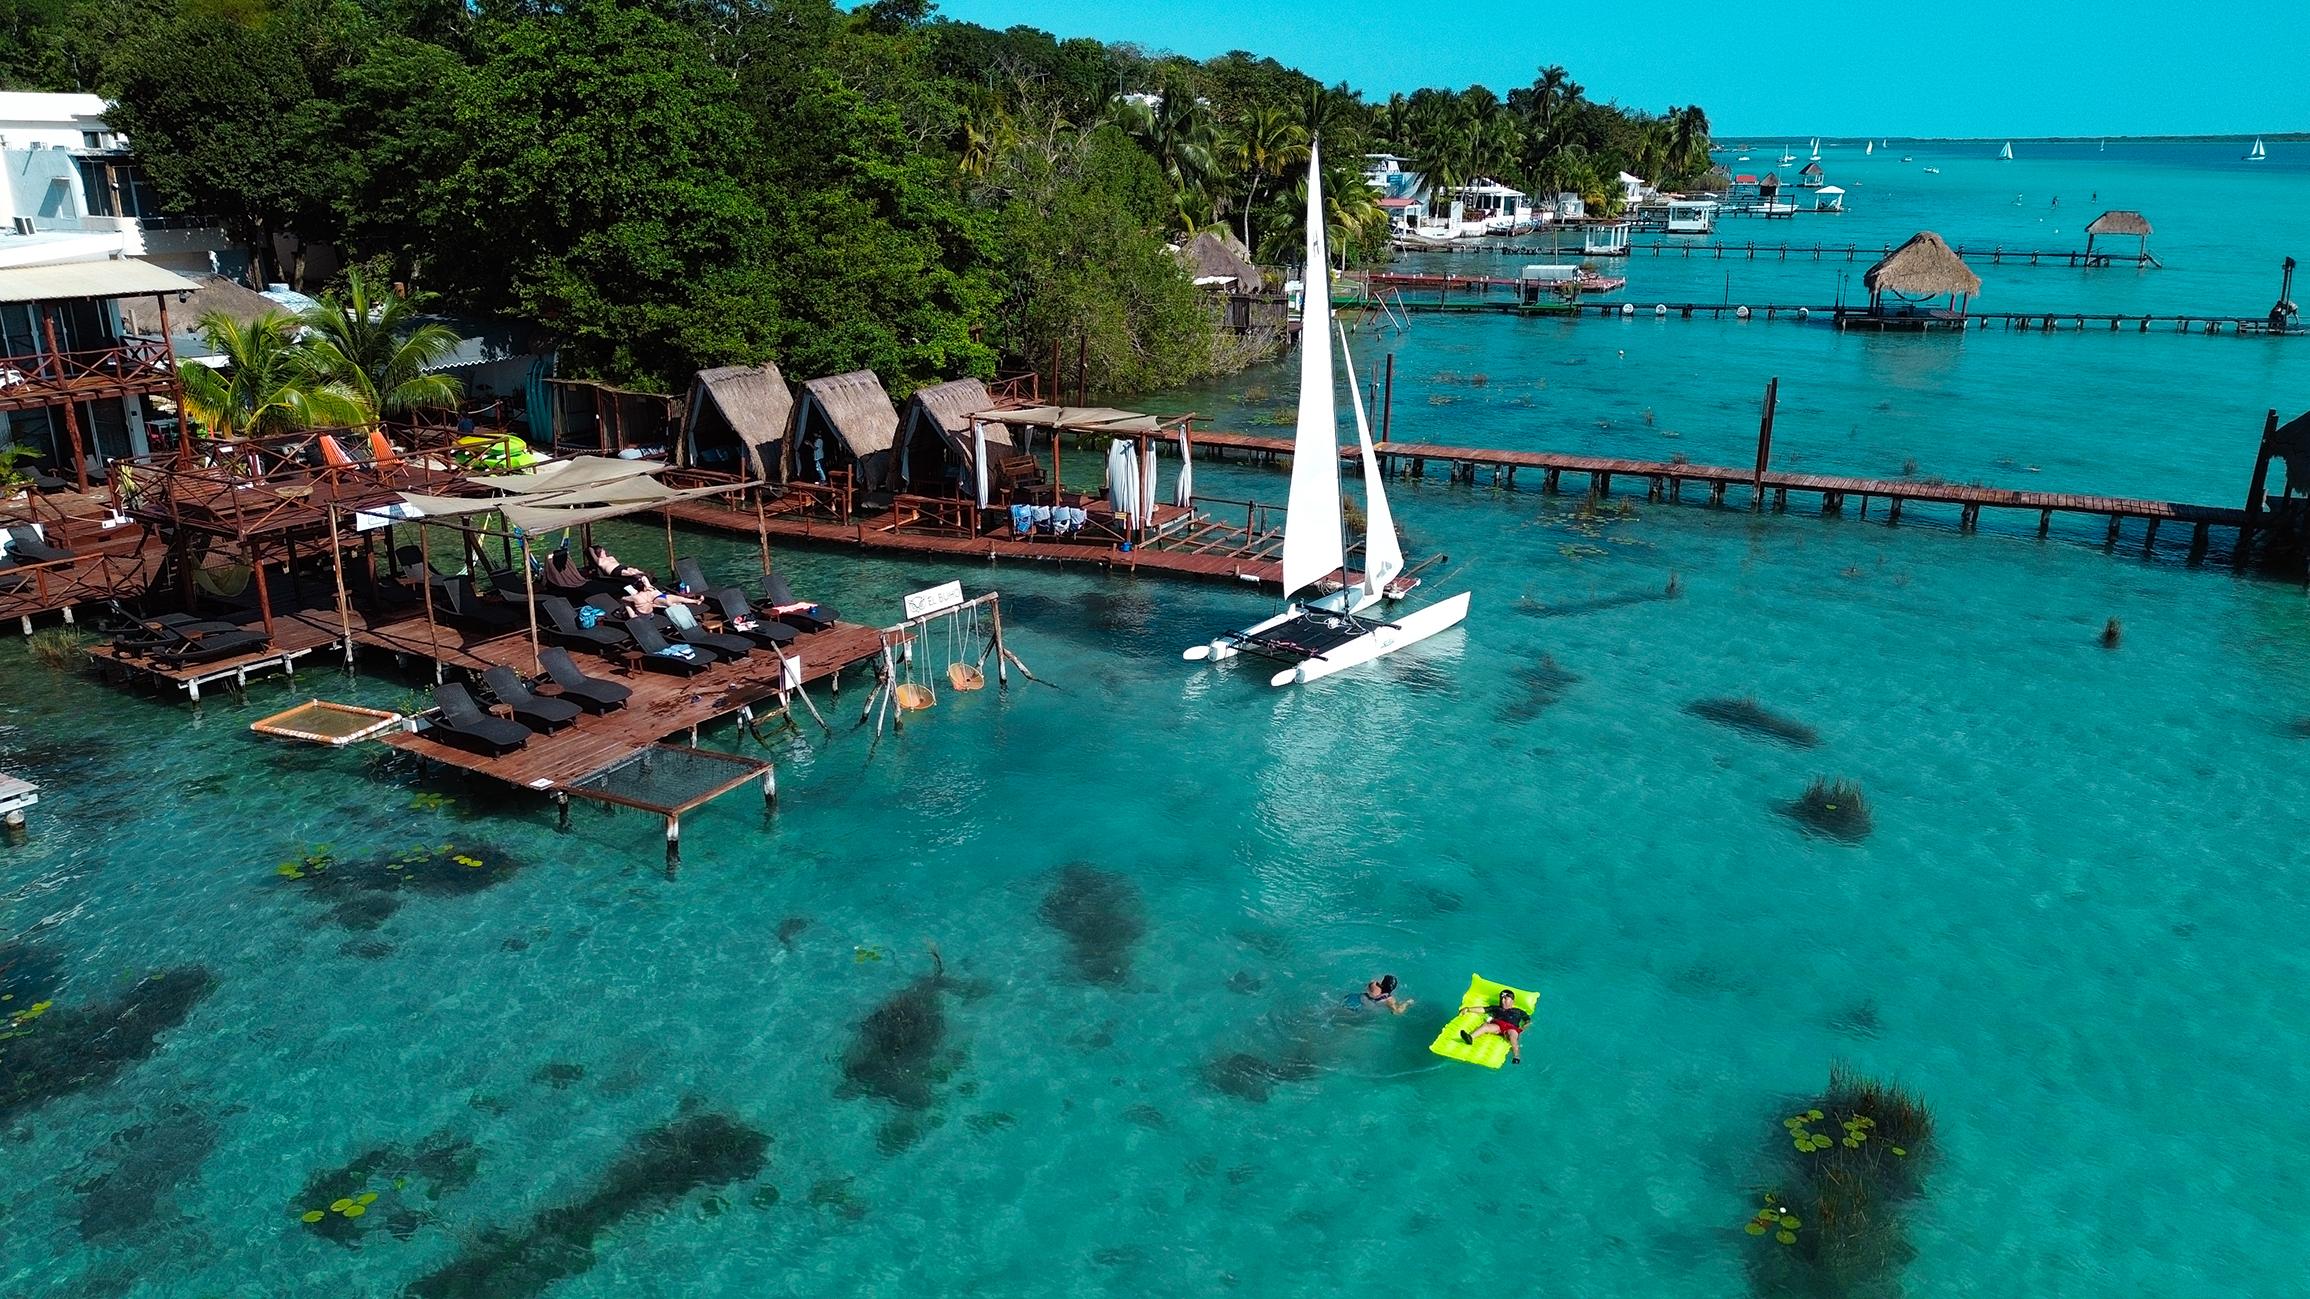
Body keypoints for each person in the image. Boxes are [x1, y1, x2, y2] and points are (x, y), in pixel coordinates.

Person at [1457, 989, 1530, 1065]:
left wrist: (1524, 1027)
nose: (1502, 1001)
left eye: (1505, 999)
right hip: (1498, 1025)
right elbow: (1483, 1009)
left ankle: (1516, 1056)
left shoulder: (1519, 1011)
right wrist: (1468, 1009)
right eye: (1501, 998)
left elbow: (1528, 1021)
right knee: (1485, 1026)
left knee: (1512, 1036)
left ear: (1512, 1001)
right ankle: (1470, 1038)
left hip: (1511, 1027)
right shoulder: (1496, 1008)